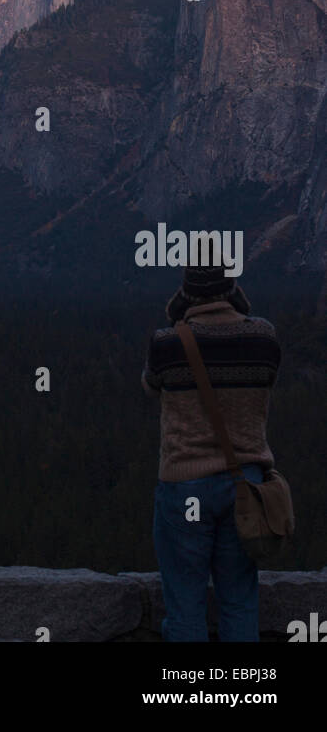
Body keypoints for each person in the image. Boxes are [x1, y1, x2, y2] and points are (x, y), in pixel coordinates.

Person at [142, 262, 281, 642]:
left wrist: (177, 313)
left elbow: (151, 385)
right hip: (246, 488)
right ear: (232, 289)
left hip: (185, 485)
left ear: (187, 294)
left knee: (185, 605)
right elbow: (269, 376)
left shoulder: (167, 342)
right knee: (238, 600)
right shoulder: (264, 338)